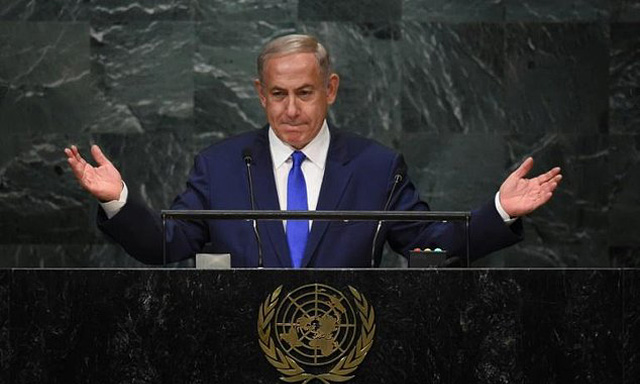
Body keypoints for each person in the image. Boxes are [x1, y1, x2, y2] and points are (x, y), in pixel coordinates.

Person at [65, 34, 562, 268]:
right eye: (278, 95)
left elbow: (429, 244)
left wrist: (499, 211)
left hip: (351, 356)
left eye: (305, 93)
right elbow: (164, 246)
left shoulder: (375, 167)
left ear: (331, 89)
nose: (291, 110)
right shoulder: (219, 166)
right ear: (260, 94)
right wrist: (118, 200)